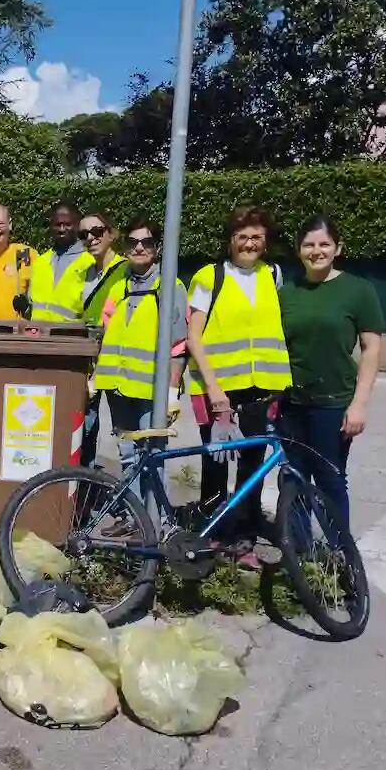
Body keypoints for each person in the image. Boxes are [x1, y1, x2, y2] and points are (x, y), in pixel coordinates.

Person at [187, 207, 291, 550]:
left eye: (256, 237)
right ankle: (213, 532)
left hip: (262, 386)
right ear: (230, 240)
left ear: (266, 241)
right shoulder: (209, 276)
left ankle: (244, 535)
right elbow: (193, 337)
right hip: (218, 388)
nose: (249, 243)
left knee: (252, 463)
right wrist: (215, 390)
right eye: (242, 236)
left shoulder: (273, 274)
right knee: (216, 461)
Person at [279, 216, 382, 529]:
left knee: (330, 479)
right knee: (292, 479)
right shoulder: (286, 293)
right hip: (290, 402)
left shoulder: (358, 291)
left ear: (338, 248)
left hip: (333, 402)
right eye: (309, 244)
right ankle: (299, 556)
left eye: (324, 244)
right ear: (298, 250)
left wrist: (359, 404)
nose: (316, 250)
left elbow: (371, 349)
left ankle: (340, 555)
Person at [92, 218, 188, 512]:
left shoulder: (170, 287)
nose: (139, 247)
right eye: (133, 242)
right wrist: (95, 377)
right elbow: (106, 335)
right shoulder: (119, 287)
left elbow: (179, 345)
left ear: (156, 248)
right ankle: (135, 521)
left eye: (146, 242)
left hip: (152, 391)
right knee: (127, 455)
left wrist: (172, 391)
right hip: (118, 388)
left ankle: (154, 521)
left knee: (152, 457)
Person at [77, 211, 127, 467]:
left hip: (118, 365)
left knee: (126, 438)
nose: (90, 238)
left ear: (111, 233)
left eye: (96, 232)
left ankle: (133, 504)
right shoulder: (85, 273)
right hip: (90, 364)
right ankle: (84, 499)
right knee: (85, 432)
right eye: (83, 234)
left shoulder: (126, 270)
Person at [24, 201, 94, 322]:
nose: (62, 229)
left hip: (71, 337)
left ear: (78, 225)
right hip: (37, 337)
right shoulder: (40, 262)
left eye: (67, 224)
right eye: (57, 224)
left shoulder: (90, 262)